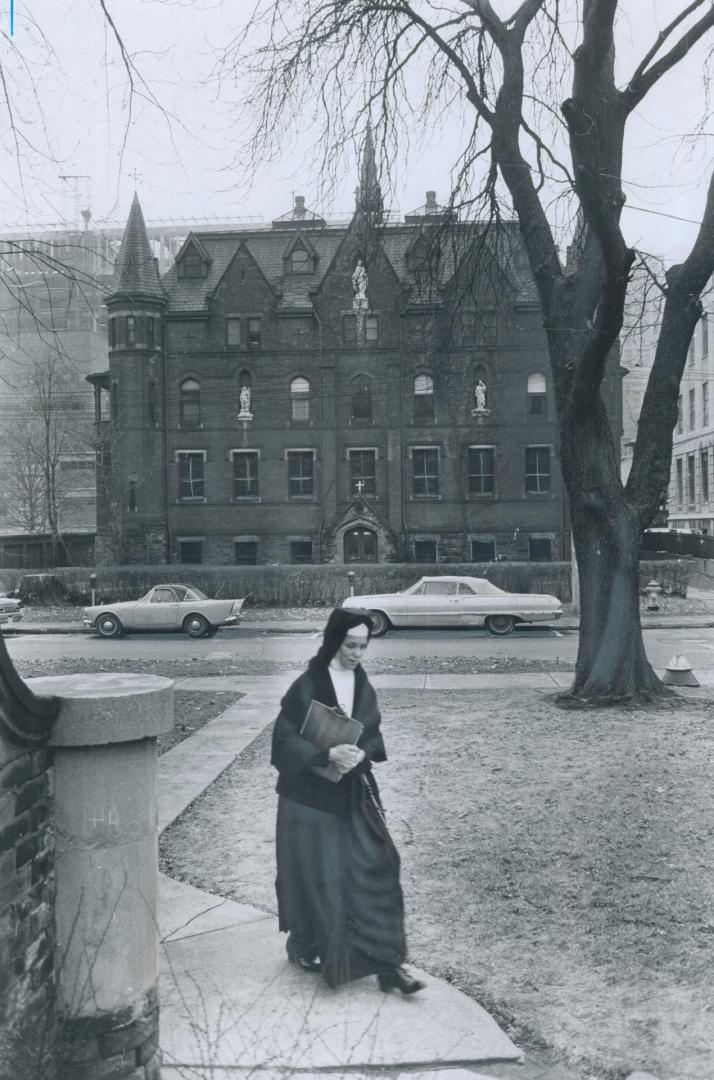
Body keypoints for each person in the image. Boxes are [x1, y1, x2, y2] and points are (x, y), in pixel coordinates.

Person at [271, 607, 424, 994]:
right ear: (334, 640)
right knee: (320, 878)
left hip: (351, 794)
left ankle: (389, 963)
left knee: (380, 865)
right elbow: (283, 742)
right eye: (350, 645)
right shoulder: (307, 684)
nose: (357, 653)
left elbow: (370, 733)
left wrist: (362, 754)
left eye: (363, 646)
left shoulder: (361, 682)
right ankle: (308, 944)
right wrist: (324, 755)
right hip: (308, 800)